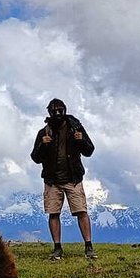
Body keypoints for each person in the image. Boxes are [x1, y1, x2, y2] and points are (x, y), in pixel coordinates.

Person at [30, 97, 95, 260]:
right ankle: (57, 247)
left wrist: (81, 141)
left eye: (60, 110)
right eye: (55, 111)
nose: (58, 113)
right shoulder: (43, 133)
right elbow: (35, 157)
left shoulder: (75, 128)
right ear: (50, 112)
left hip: (73, 178)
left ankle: (88, 246)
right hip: (52, 180)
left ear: (65, 110)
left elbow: (89, 150)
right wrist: (42, 145)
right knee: (54, 213)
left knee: (81, 211)